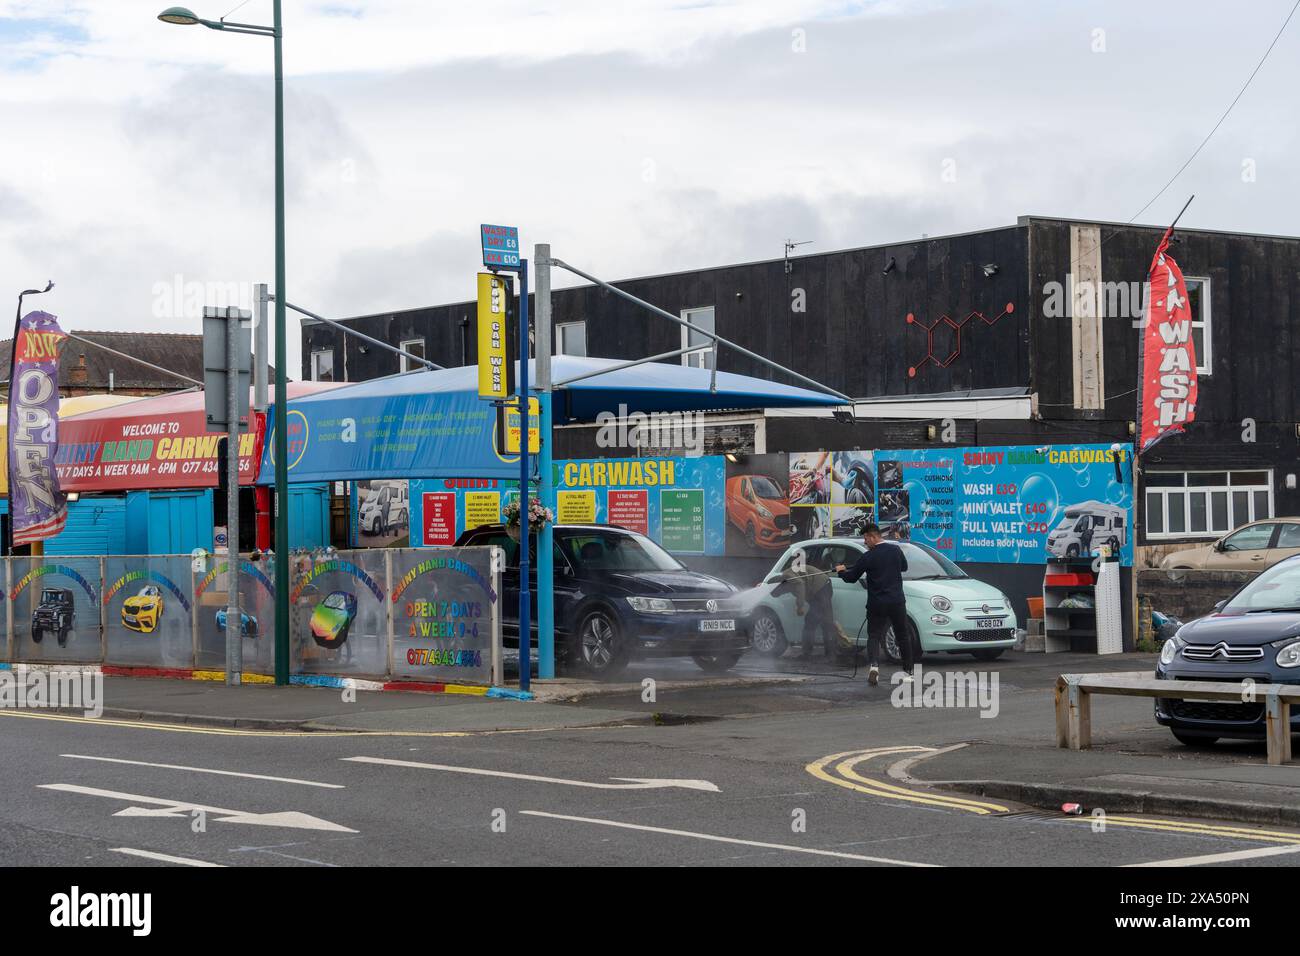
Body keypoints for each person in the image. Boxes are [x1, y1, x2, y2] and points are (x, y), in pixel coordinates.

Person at [836, 523, 913, 686]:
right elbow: (904, 567)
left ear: (874, 537)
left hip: (877, 603)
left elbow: (851, 577)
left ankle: (874, 668)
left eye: (866, 539)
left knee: (874, 635)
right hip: (897, 601)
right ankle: (908, 672)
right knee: (903, 635)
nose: (865, 542)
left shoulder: (868, 557)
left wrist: (841, 571)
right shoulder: (895, 550)